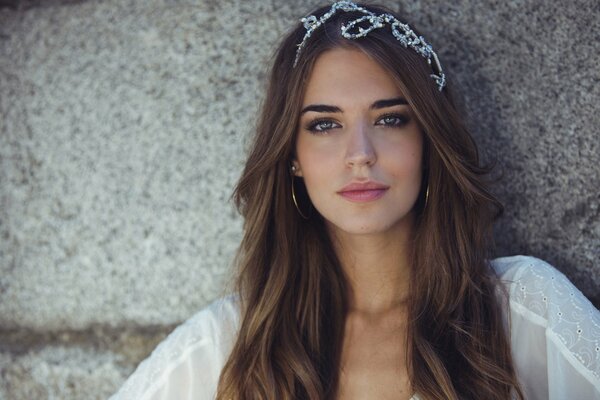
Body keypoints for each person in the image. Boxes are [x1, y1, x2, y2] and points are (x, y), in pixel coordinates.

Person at [110, 2, 600, 399]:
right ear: (292, 156)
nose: (360, 155)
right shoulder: (229, 344)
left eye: (390, 119)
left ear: (428, 141)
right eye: (325, 124)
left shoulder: (524, 310)